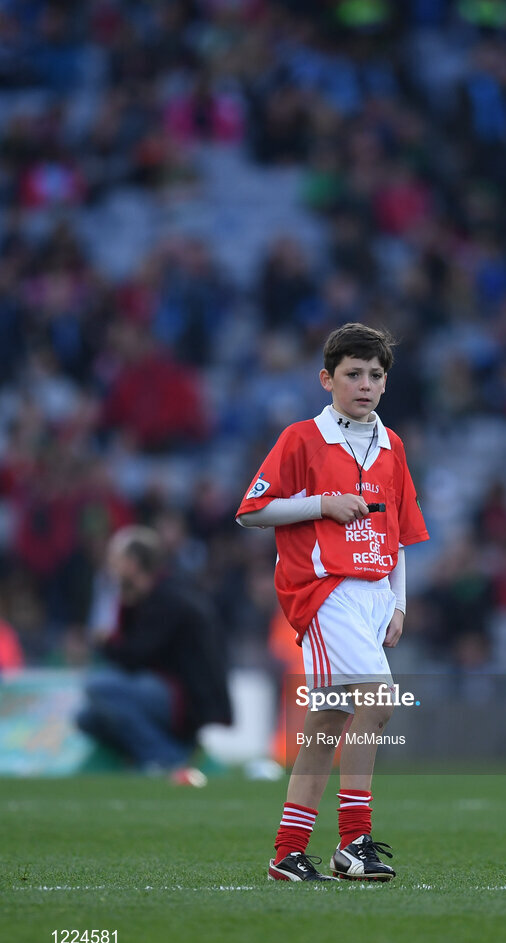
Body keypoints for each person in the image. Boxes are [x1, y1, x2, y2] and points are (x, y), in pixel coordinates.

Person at [237, 322, 429, 882]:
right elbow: (251, 511)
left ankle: (287, 853)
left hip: (373, 594)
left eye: (375, 375)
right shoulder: (301, 438)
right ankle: (354, 841)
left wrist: (398, 603)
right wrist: (321, 504)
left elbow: (400, 534)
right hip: (325, 591)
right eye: (353, 374)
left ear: (386, 384)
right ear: (327, 379)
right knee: (380, 700)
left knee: (328, 723)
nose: (364, 384)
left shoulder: (392, 445)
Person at [76, 526, 232, 783]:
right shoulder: (153, 595)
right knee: (87, 719)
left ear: (133, 563)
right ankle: (164, 752)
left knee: (99, 687)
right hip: (169, 693)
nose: (110, 566)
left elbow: (133, 656)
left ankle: (165, 758)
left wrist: (104, 641)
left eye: (115, 558)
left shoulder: (168, 599)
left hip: (187, 699)